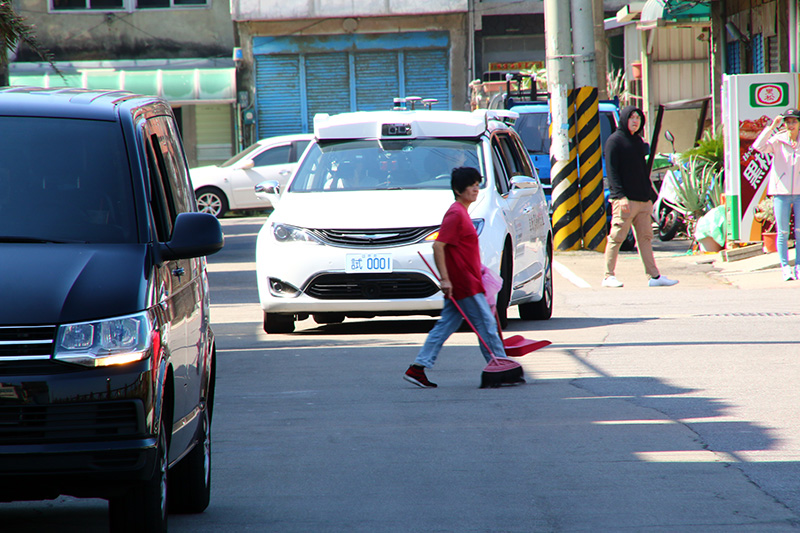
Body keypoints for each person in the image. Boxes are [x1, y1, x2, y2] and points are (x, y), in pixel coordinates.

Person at [404, 167, 516, 388]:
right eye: (470, 184)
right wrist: (445, 280)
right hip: (464, 284)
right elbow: (438, 246)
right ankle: (501, 367)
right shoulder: (455, 214)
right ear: (458, 189)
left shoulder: (462, 213)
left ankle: (418, 368)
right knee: (486, 325)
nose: (475, 188)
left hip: (465, 282)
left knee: (446, 326)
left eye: (477, 183)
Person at [602, 105, 679, 288]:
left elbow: (642, 172)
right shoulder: (614, 141)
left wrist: (650, 197)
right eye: (632, 117)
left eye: (638, 118)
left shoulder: (638, 142)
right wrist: (619, 197)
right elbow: (612, 172)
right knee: (617, 237)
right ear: (624, 119)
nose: (635, 121)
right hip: (625, 200)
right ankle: (608, 275)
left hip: (642, 201)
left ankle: (654, 276)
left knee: (645, 238)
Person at [752, 108, 800, 281]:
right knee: (783, 232)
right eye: (788, 121)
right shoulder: (778, 140)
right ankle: (785, 267)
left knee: (799, 231)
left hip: (799, 192)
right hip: (781, 192)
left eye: (794, 121)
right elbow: (758, 146)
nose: (790, 125)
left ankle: (799, 266)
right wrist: (772, 127)